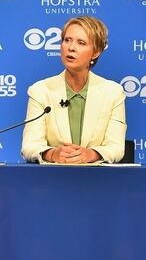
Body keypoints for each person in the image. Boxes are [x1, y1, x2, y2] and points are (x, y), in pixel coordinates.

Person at [21, 16, 126, 164]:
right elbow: (29, 146)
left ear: (96, 52)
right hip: (51, 180)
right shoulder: (41, 90)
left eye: (81, 43)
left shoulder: (113, 92)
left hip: (98, 180)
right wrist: (52, 154)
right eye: (67, 40)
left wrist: (90, 154)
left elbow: (116, 148)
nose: (71, 47)